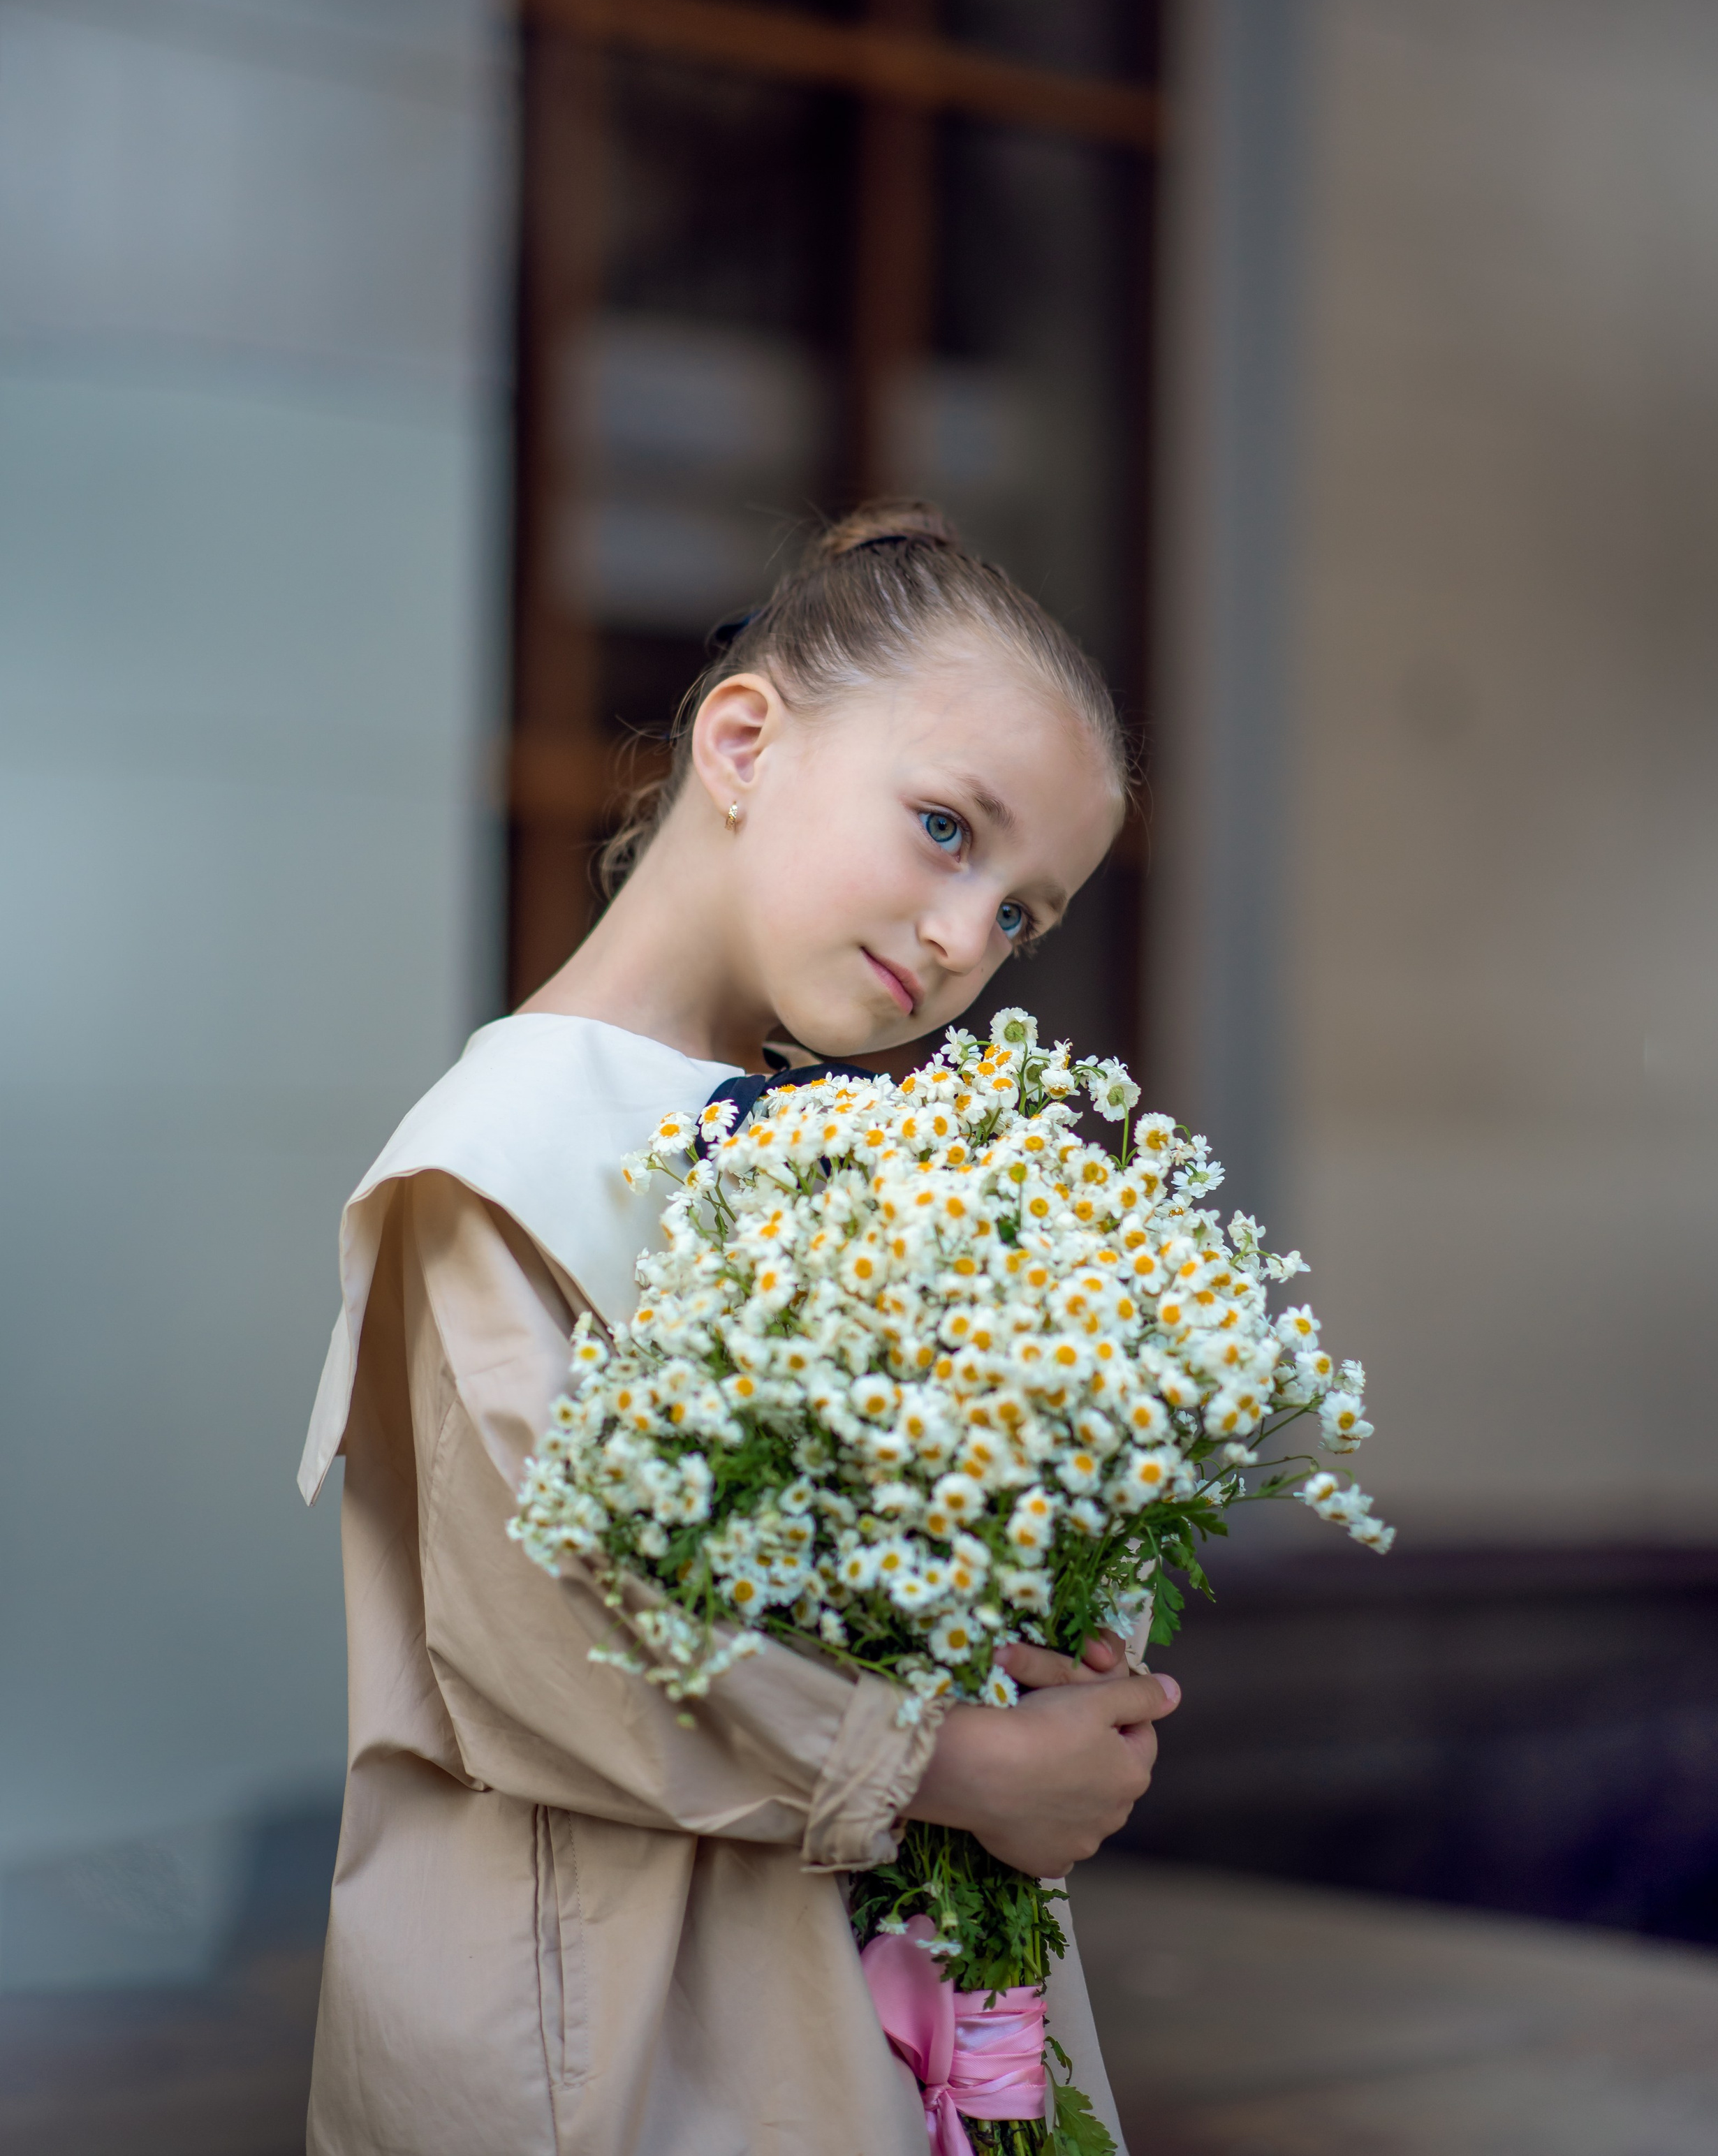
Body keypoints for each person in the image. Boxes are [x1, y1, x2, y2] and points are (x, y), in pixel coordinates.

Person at [299, 500, 1182, 2155]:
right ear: (742, 742)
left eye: (1020, 914)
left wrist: (1063, 1645)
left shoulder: (866, 1167)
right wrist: (958, 1765)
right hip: (612, 2023)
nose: (963, 937)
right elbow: (541, 1641)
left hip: (860, 1994)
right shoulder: (496, 1155)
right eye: (943, 827)